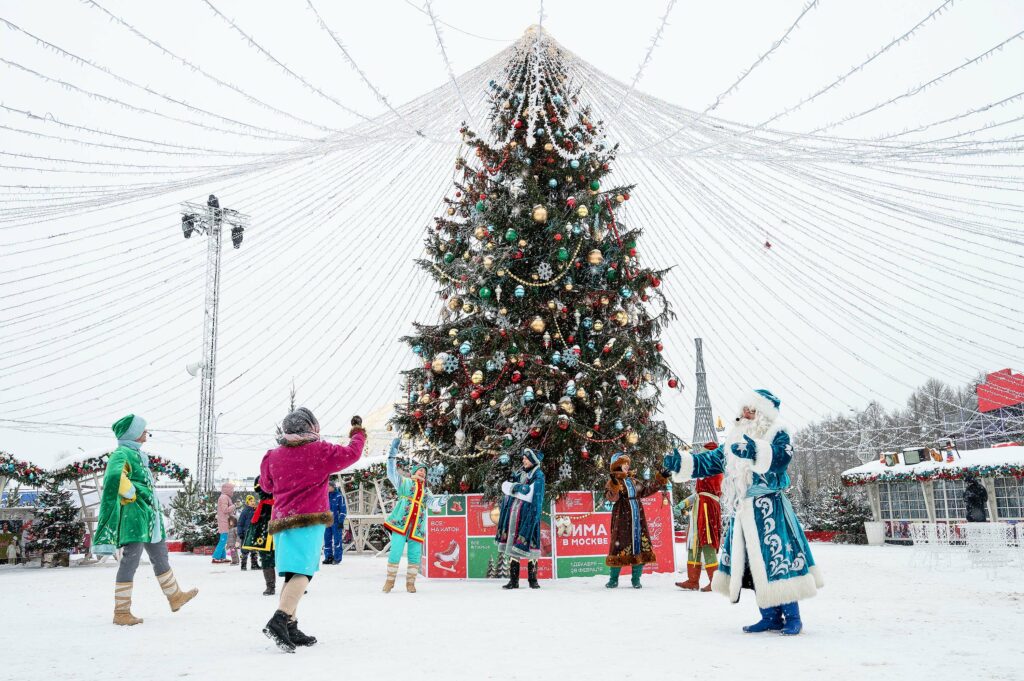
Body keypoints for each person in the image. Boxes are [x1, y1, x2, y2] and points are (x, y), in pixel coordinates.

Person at [663, 390, 822, 635]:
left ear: (763, 414)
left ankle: (792, 617)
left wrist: (756, 452)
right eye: (744, 409)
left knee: (779, 560)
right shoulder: (734, 440)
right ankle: (769, 616)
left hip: (770, 510)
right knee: (751, 565)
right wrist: (684, 463)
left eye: (751, 410)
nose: (745, 414)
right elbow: (711, 461)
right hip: (744, 511)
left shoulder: (777, 433)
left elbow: (781, 459)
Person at [259, 409, 365, 653]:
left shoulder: (272, 455)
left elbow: (266, 485)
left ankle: (291, 626)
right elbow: (352, 453)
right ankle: (279, 619)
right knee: (304, 573)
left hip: (282, 520)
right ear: (311, 427)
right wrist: (358, 432)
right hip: (309, 519)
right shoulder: (320, 451)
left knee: (291, 573)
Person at [93, 414, 198, 626]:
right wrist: (130, 491)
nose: (146, 434)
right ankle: (121, 611)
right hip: (136, 517)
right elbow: (113, 476)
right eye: (143, 431)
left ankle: (175, 596)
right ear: (133, 433)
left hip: (150, 519)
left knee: (161, 555)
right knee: (131, 560)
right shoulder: (122, 453)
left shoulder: (135, 454)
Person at [382, 438, 447, 593]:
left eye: (424, 471)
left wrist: (441, 502)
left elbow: (433, 504)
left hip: (417, 527)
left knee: (415, 554)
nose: (422, 472)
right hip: (400, 523)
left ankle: (410, 583)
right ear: (413, 472)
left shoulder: (426, 491)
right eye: (420, 469)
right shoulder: (404, 483)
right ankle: (390, 581)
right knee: (396, 551)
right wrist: (392, 454)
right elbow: (391, 472)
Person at [604, 452, 671, 589]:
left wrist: (660, 479)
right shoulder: (613, 481)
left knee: (639, 546)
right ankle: (613, 579)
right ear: (617, 466)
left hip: (638, 519)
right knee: (619, 546)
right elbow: (612, 498)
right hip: (622, 518)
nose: (627, 467)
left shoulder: (633, 481)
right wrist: (615, 486)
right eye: (624, 464)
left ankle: (636, 579)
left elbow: (646, 490)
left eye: (628, 464)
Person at [495, 448, 546, 590]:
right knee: (512, 547)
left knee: (530, 546)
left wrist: (515, 489)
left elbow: (532, 496)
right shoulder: (520, 473)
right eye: (523, 458)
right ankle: (514, 580)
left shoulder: (539, 476)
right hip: (514, 515)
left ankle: (532, 579)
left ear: (533, 461)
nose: (523, 460)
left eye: (526, 458)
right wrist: (517, 487)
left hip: (528, 516)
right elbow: (506, 487)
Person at [676, 462, 723, 591]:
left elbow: (708, 491)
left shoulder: (715, 470)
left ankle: (715, 582)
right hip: (699, 511)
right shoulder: (703, 478)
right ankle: (693, 581)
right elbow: (697, 495)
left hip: (708, 510)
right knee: (694, 545)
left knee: (707, 543)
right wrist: (683, 503)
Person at [242, 477, 276, 594]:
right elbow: (259, 489)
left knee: (289, 554)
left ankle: (295, 585)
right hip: (265, 518)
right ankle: (270, 586)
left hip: (281, 514)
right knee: (266, 556)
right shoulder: (261, 478)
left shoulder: (285, 475)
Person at [322, 478, 347, 565]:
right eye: (326, 486)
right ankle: (328, 557)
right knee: (327, 540)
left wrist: (341, 521)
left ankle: (337, 558)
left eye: (329, 486)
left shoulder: (339, 496)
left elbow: (343, 510)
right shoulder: (324, 497)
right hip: (327, 522)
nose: (327, 488)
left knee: (337, 540)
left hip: (336, 522)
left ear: (333, 487)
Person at [213, 481, 235, 564]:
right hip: (224, 521)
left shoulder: (225, 497)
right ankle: (215, 557)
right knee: (223, 540)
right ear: (228, 490)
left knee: (223, 540)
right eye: (232, 490)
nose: (233, 491)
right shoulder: (224, 498)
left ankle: (222, 557)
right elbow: (225, 510)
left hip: (226, 521)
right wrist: (233, 506)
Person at [238, 495, 260, 571]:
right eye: (251, 501)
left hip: (254, 533)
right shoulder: (245, 512)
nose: (253, 502)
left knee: (254, 548)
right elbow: (240, 523)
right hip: (246, 533)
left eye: (253, 501)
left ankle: (254, 564)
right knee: (245, 549)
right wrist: (240, 533)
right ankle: (243, 565)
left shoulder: (257, 511)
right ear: (247, 503)